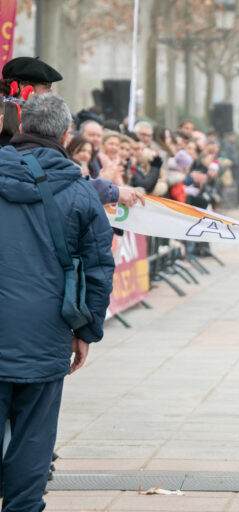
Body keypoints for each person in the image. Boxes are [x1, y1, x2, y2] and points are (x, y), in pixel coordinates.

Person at [0, 93, 114, 512]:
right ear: (66, 135)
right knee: (34, 434)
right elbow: (98, 267)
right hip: (47, 330)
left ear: (20, 126)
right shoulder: (80, 191)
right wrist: (87, 331)